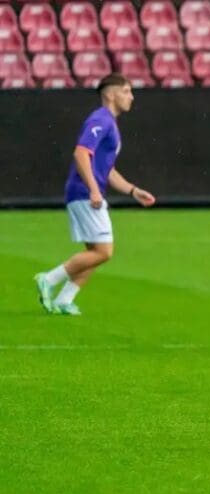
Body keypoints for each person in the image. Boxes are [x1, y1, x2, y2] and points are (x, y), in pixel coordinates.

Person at [34, 73, 156, 316]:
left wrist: (132, 190)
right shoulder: (101, 120)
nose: (131, 97)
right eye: (126, 91)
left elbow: (107, 170)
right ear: (110, 94)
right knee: (103, 252)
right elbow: (81, 153)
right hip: (84, 193)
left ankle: (63, 301)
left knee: (94, 253)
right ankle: (48, 278)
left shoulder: (110, 123)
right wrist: (92, 189)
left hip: (85, 191)